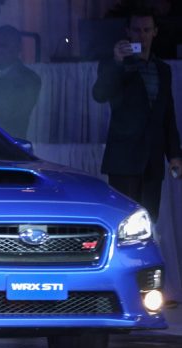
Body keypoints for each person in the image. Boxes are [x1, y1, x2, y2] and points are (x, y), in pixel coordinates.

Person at [92, 9, 182, 221]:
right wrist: (117, 62)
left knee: (150, 219)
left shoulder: (163, 69)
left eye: (146, 30)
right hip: (124, 159)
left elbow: (167, 115)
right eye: (137, 30)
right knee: (122, 220)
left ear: (155, 32)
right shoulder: (115, 64)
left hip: (152, 160)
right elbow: (99, 94)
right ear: (128, 32)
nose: (141, 35)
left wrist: (174, 155)